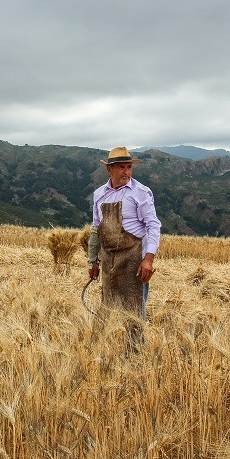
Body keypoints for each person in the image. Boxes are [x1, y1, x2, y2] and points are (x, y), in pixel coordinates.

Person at [87, 146, 162, 350]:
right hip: (108, 257)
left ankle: (136, 355)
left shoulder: (141, 192)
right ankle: (103, 351)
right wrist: (92, 260)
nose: (126, 172)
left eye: (129, 167)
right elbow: (96, 229)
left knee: (134, 309)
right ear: (109, 170)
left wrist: (148, 259)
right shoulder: (99, 195)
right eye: (121, 168)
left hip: (133, 258)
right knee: (107, 306)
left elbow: (153, 226)